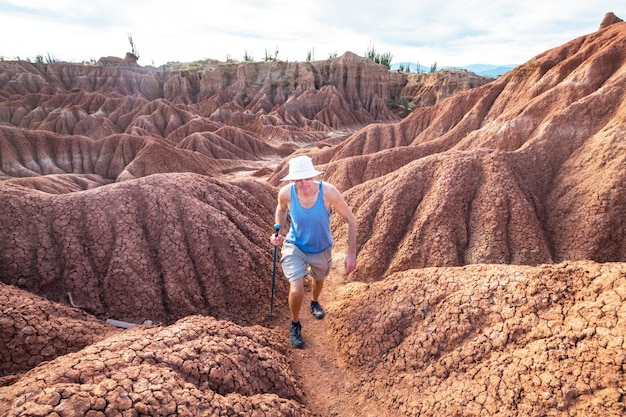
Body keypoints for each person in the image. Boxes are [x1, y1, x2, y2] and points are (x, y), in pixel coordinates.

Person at [270, 155, 357, 348]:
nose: (303, 183)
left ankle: (315, 302)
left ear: (313, 176)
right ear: (292, 180)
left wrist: (351, 254)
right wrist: (277, 232)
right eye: (298, 179)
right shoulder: (286, 193)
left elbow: (351, 220)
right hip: (296, 245)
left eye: (307, 178)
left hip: (321, 247)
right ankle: (294, 323)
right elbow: (281, 210)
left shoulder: (328, 192)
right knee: (297, 289)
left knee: (319, 280)